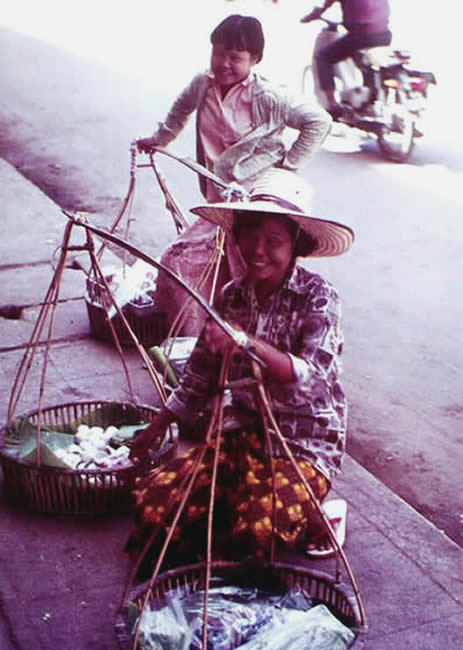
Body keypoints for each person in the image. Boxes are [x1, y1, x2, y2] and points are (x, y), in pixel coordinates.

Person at [125, 168, 354, 577]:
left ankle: (319, 513)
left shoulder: (318, 297)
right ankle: (291, 511)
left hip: (304, 444)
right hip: (246, 433)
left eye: (273, 240)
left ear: (297, 244)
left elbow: (313, 381)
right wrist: (158, 426)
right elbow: (199, 375)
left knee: (254, 530)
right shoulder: (232, 297)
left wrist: (247, 343)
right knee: (157, 504)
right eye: (249, 236)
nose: (257, 251)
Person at [136, 14, 332, 336]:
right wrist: (159, 139)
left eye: (235, 57)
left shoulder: (268, 97)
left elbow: (319, 122)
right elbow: (180, 109)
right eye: (218, 53)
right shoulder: (202, 85)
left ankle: (255, 343)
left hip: (257, 207)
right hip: (222, 203)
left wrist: (285, 171)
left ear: (255, 59)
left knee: (254, 275)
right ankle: (203, 342)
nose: (224, 63)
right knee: (185, 265)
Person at [301, 0, 391, 118]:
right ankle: (365, 97)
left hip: (361, 35)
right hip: (384, 35)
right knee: (364, 62)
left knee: (323, 57)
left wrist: (312, 16)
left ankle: (331, 104)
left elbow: (323, 6)